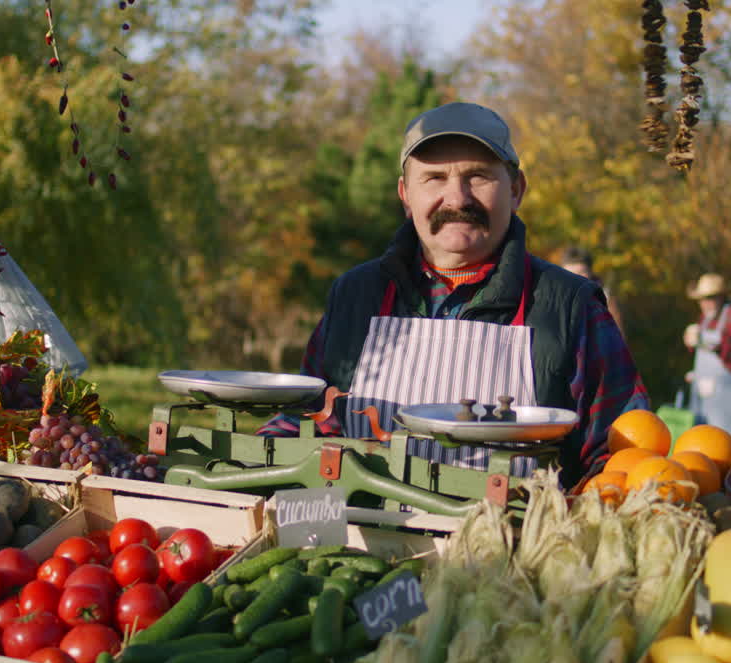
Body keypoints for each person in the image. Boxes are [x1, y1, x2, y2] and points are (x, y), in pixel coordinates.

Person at [258, 102, 649, 488]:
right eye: (434, 178)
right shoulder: (355, 296)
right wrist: (256, 458)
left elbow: (620, 454)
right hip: (366, 543)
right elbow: (308, 418)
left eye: (478, 176)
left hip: (513, 546)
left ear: (516, 189)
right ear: (406, 196)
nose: (458, 198)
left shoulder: (570, 308)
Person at [682, 273, 731, 443]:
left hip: (727, 399)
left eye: (709, 298)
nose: (705, 304)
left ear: (722, 296)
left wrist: (719, 348)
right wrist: (690, 344)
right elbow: (702, 357)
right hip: (701, 397)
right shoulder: (705, 319)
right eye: (701, 299)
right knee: (699, 443)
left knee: (725, 447)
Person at [558, 246, 624, 332]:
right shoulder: (554, 297)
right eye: (570, 274)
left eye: (581, 272)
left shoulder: (604, 297)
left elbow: (618, 335)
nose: (575, 278)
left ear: (591, 272)